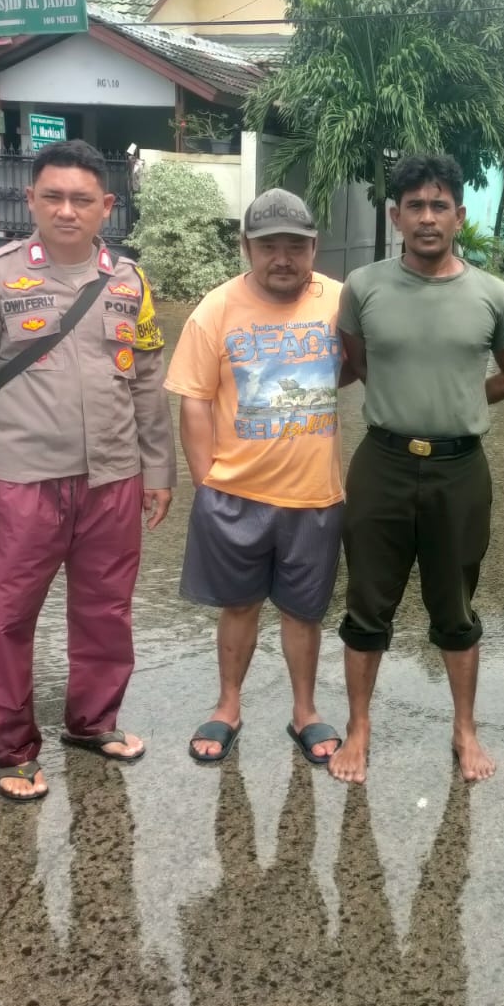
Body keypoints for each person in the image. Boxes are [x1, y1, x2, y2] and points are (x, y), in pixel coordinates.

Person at [0, 138, 175, 802]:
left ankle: (92, 721)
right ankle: (14, 750)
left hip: (112, 479)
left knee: (106, 610)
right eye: (53, 197)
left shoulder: (129, 282)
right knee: (7, 618)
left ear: (106, 206)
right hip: (22, 482)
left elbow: (147, 379)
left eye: (81, 199)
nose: (67, 210)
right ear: (30, 200)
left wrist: (159, 469)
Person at [328, 153, 504, 784]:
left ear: (458, 215)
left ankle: (464, 729)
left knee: (456, 606)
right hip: (382, 464)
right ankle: (358, 729)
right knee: (367, 602)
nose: (426, 217)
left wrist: (469, 400)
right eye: (414, 205)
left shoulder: (493, 294)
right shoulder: (363, 286)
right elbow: (356, 362)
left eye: (438, 205)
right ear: (395, 216)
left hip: (459, 471)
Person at [164, 188, 351, 768]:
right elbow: (194, 402)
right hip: (236, 492)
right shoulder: (215, 309)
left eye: (296, 246)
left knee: (304, 612)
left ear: (314, 247)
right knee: (239, 605)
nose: (283, 258)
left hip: (315, 494)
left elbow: (359, 366)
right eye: (269, 246)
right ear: (246, 247)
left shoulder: (341, 301)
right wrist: (206, 484)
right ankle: (228, 706)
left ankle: (304, 711)